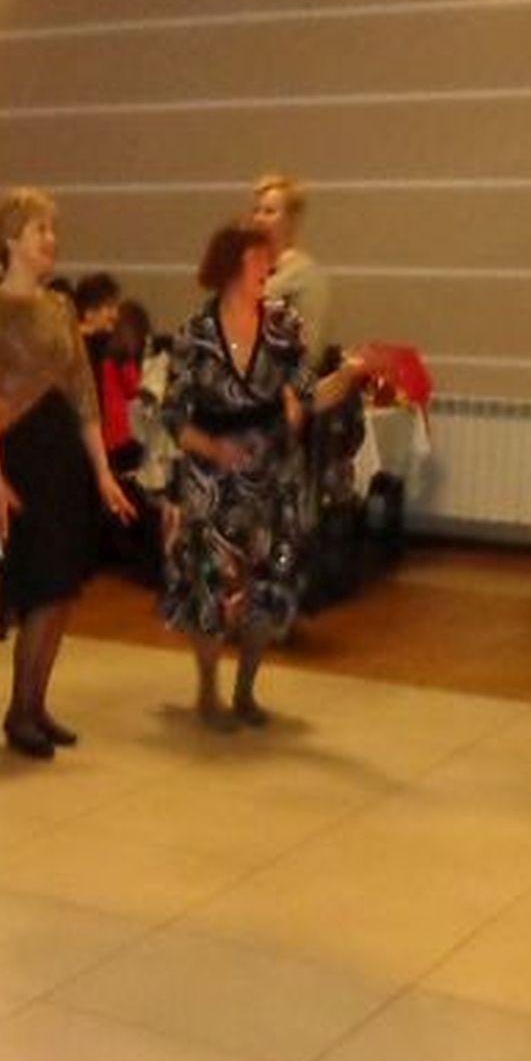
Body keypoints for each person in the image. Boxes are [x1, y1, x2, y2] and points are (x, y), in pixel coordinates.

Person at [160, 220, 368, 727]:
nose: (267, 269)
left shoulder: (282, 326)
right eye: (257, 260)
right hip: (212, 478)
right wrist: (213, 448)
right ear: (230, 266)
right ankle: (208, 691)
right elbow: (173, 415)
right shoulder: (195, 333)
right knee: (209, 582)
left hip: (274, 475)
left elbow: (309, 394)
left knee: (269, 583)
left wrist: (349, 375)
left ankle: (246, 691)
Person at [0, 192, 136, 756]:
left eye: (51, 230)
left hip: (65, 454)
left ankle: (37, 703)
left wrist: (103, 472)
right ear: (11, 239)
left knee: (63, 591)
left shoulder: (61, 307)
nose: (50, 240)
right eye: (40, 229)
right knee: (41, 589)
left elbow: (85, 395)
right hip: (24, 454)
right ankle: (18, 711)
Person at [250, 172, 333, 348]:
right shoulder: (246, 270)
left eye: (269, 212)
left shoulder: (306, 275)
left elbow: (310, 347)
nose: (259, 219)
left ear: (291, 219)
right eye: (256, 211)